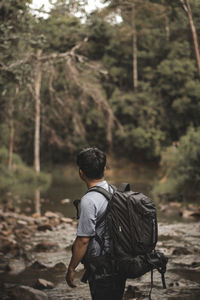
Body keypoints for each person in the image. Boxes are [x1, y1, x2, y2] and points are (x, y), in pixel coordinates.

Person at [66, 147, 126, 300]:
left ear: (81, 173)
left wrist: (72, 268)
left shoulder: (89, 200)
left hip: (101, 266)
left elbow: (83, 240)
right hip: (119, 262)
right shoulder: (114, 190)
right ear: (104, 169)